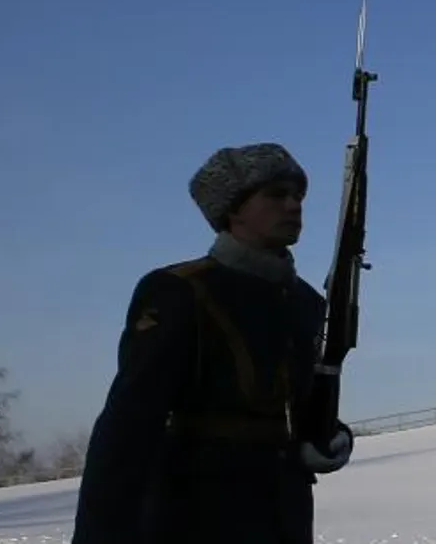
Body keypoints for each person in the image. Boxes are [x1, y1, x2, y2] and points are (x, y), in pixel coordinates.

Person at [71, 143, 355, 544]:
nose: (294, 205)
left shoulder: (307, 302)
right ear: (233, 209)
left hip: (284, 519)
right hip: (194, 517)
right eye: (276, 194)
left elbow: (299, 406)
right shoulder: (179, 290)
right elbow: (128, 426)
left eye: (298, 195)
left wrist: (330, 436)